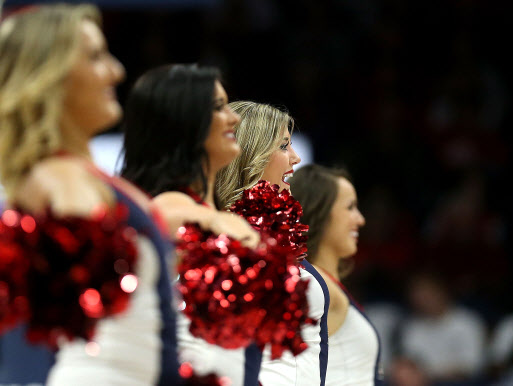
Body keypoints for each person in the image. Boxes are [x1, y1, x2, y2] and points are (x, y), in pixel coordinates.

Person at [0, 4, 181, 385]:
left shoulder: (77, 174)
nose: (116, 71)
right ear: (51, 75)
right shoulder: (60, 179)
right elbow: (85, 345)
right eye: (96, 57)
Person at [120, 64, 263, 385]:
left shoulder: (210, 215)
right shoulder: (170, 211)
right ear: (181, 123)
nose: (234, 117)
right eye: (217, 107)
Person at [216, 101, 330, 386]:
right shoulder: (224, 243)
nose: (296, 158)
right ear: (249, 154)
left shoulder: (280, 240)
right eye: (283, 146)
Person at [289, 164, 384, 385]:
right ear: (320, 210)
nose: (361, 219)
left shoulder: (324, 284)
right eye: (350, 207)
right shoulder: (314, 285)